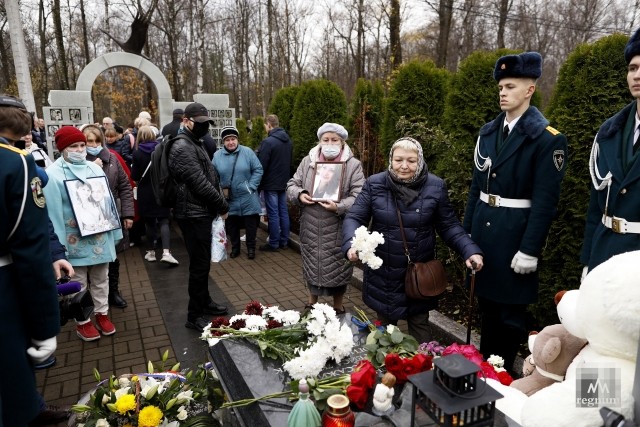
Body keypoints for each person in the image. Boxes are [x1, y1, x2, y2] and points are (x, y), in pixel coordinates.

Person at [462, 52, 567, 374]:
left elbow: (545, 202)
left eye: (510, 86)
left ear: (530, 89)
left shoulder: (547, 140)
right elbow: (476, 188)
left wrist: (529, 250)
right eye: (500, 87)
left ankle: (503, 381)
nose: (502, 92)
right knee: (487, 312)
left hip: (514, 240)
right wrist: (466, 237)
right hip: (484, 234)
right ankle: (484, 376)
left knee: (509, 320)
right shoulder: (488, 133)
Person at [343, 137, 484, 344]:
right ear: (391, 160)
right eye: (398, 160)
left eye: (411, 160)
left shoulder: (435, 186)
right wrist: (351, 244)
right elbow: (355, 217)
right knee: (384, 332)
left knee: (420, 329)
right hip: (384, 274)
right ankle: (386, 372)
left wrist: (470, 250)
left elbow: (449, 226)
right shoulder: (375, 184)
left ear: (420, 161)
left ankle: (422, 370)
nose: (404, 166)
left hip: (419, 275)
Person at [0, 95, 61, 426]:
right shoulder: (15, 162)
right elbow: (29, 245)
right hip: (6, 293)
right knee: (13, 396)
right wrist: (45, 325)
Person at [43, 126, 123, 341]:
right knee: (78, 282)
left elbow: (107, 202)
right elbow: (51, 213)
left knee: (101, 278)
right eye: (73, 146)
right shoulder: (52, 174)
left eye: (81, 145)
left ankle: (102, 313)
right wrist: (59, 248)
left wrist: (114, 233)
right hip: (73, 238)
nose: (79, 149)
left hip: (99, 234)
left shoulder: (94, 169)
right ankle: (83, 320)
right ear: (62, 149)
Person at [287, 123, 365, 313]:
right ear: (320, 142)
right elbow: (292, 184)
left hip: (338, 226)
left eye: (334, 140)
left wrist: (339, 206)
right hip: (311, 226)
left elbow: (360, 195)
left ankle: (338, 306)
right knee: (312, 265)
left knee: (338, 267)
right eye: (326, 140)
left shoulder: (352, 165)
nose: (330, 143)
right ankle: (312, 303)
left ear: (342, 142)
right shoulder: (308, 162)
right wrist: (299, 194)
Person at [581, 28, 640, 273]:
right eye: (633, 68)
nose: (637, 75)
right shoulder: (609, 132)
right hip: (604, 254)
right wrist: (587, 261)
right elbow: (596, 206)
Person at [168, 102, 230, 332]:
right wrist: (222, 205)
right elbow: (199, 183)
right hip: (192, 214)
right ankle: (194, 315)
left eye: (206, 123)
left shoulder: (195, 142)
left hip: (200, 212)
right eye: (199, 123)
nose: (204, 127)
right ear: (186, 121)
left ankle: (205, 302)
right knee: (198, 266)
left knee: (202, 265)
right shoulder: (182, 147)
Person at [84, 124, 134, 308]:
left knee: (113, 256)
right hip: (87, 219)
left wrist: (127, 214)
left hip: (110, 216)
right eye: (89, 141)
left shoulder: (112, 159)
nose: (93, 144)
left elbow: (125, 187)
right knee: (91, 258)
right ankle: (91, 295)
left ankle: (113, 291)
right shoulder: (77, 163)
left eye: (97, 141)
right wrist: (90, 168)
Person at [213, 126, 263, 259]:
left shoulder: (247, 152)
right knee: (231, 225)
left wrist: (251, 186)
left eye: (233, 139)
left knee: (251, 225)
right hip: (229, 197)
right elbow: (213, 176)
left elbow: (258, 169)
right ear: (223, 142)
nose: (231, 142)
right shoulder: (217, 156)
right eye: (227, 140)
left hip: (248, 196)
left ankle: (251, 248)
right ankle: (235, 248)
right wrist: (219, 192)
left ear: (237, 139)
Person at [131, 125, 179, 265]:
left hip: (145, 192)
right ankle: (166, 252)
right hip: (161, 190)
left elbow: (135, 176)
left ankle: (151, 252)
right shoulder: (162, 150)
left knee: (149, 222)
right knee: (164, 221)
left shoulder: (137, 153)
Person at [257, 114, 293, 251]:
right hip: (283, 182)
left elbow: (262, 165)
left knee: (273, 213)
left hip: (270, 183)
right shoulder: (288, 141)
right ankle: (284, 241)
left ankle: (273, 243)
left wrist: (259, 184)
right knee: (283, 211)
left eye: (265, 126)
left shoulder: (268, 142)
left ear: (269, 125)